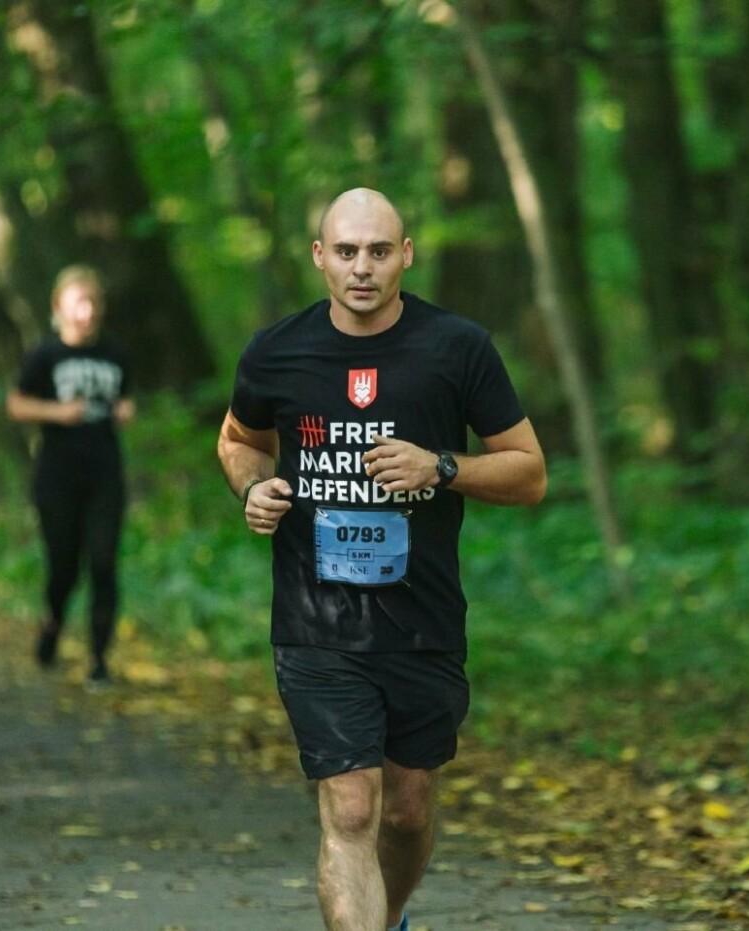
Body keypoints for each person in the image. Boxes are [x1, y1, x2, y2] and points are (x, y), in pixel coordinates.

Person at [216, 188, 546, 931]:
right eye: (345, 251)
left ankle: (388, 917)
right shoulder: (277, 350)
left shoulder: (456, 347)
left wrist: (443, 467)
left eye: (376, 251)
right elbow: (238, 439)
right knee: (353, 802)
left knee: (405, 810)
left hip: (422, 619)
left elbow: (529, 472)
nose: (360, 268)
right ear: (319, 257)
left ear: (405, 254)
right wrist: (253, 486)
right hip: (316, 618)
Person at [6, 265, 133, 690]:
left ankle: (98, 659)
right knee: (64, 567)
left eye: (94, 301)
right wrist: (57, 412)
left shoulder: (115, 352)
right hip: (57, 475)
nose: (88, 310)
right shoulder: (46, 354)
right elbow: (17, 405)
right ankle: (54, 622)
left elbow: (126, 398)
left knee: (102, 562)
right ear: (59, 307)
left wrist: (125, 410)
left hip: (105, 474)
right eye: (79, 301)